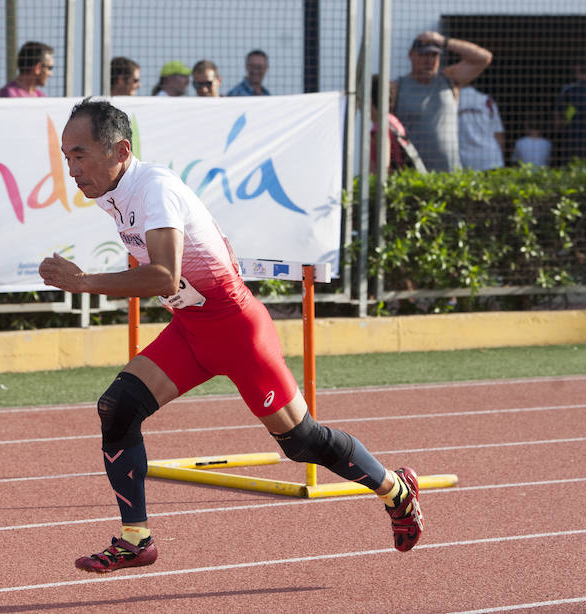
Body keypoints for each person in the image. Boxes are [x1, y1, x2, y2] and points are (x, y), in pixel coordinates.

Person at [39, 98, 425, 574]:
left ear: (120, 150)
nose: (71, 169)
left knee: (301, 442)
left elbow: (162, 276)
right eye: (65, 156)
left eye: (80, 155)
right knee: (118, 407)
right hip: (192, 331)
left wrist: (84, 283)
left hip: (238, 332)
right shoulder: (114, 193)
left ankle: (395, 488)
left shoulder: (152, 188)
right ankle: (136, 539)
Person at [390, 31, 492, 171]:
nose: (429, 61)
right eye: (424, 55)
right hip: (413, 175)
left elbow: (483, 58)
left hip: (450, 174)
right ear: (411, 55)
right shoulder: (397, 87)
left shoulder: (448, 80)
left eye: (434, 55)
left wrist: (444, 41)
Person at [370, 75, 425, 173]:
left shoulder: (380, 127)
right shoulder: (393, 121)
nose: (358, 105)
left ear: (368, 100)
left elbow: (384, 167)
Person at [553, 60, 586, 166]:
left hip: (573, 140)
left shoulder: (569, 90)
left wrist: (559, 129)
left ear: (578, 69)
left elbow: (558, 119)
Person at [457, 86, 505, 170]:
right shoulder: (487, 100)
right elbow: (498, 134)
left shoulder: (452, 100)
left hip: (465, 161)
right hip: (492, 159)